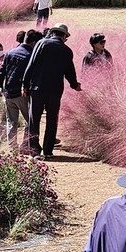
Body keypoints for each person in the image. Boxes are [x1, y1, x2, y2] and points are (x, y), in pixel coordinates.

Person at [23, 23, 81, 160]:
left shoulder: (41, 43)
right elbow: (70, 72)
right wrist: (75, 85)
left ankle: (35, 151)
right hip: (55, 90)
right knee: (52, 120)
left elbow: (31, 64)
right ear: (64, 36)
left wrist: (25, 84)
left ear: (53, 33)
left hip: (37, 88)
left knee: (34, 120)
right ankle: (48, 151)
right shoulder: (67, 50)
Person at [0, 29, 41, 151]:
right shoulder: (31, 56)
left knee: (11, 122)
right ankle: (26, 146)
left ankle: (12, 147)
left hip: (9, 92)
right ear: (34, 42)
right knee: (30, 121)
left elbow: (2, 71)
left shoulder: (10, 52)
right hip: (23, 93)